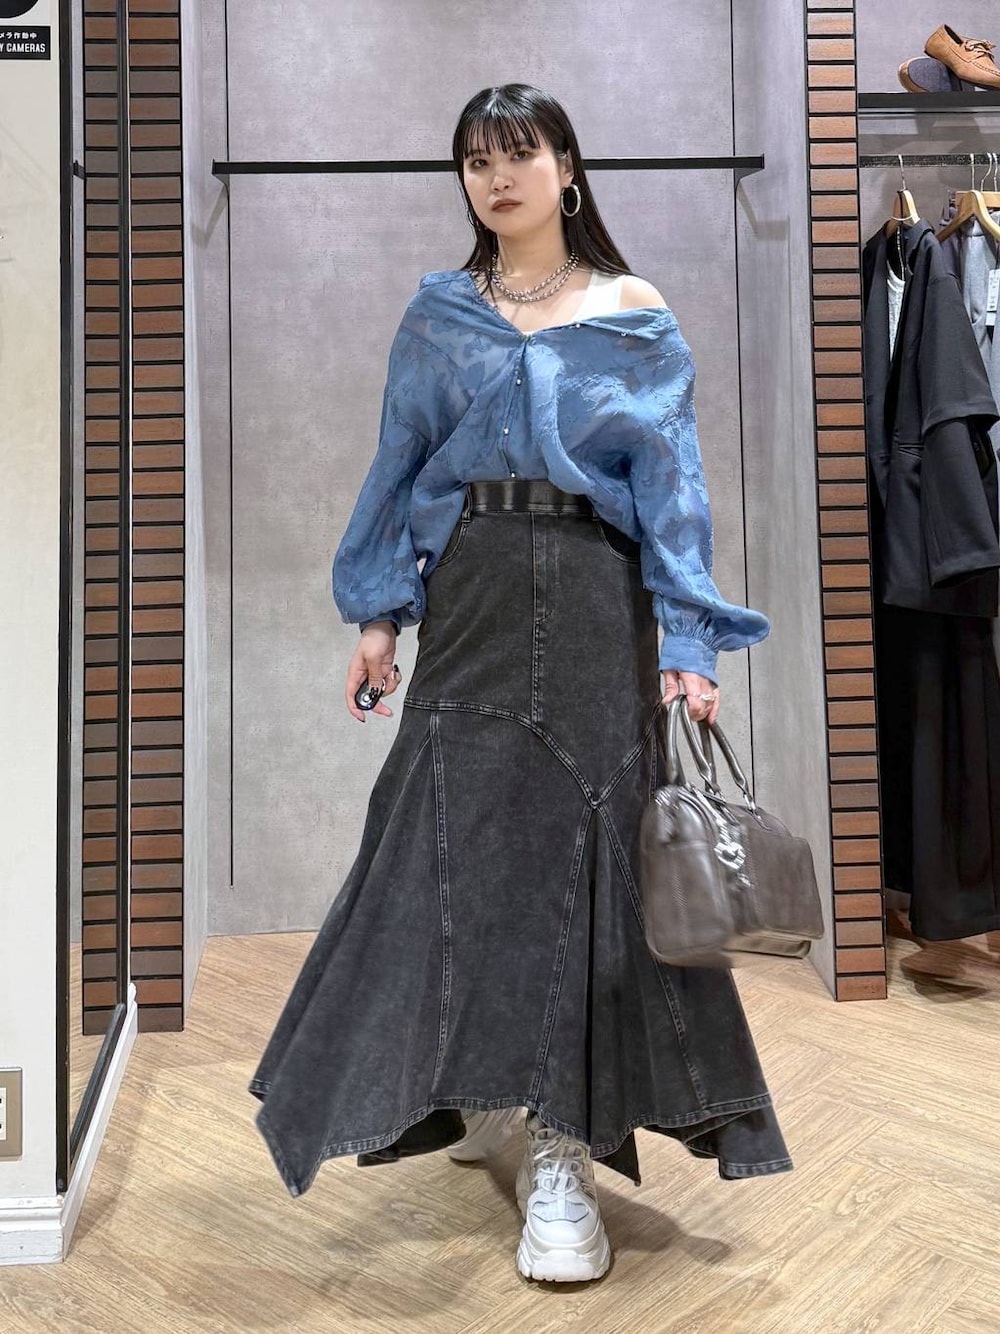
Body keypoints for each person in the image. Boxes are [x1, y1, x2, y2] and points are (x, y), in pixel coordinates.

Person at [250, 83, 791, 1285]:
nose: (497, 177)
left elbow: (673, 489)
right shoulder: (439, 315)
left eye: (519, 153)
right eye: (475, 160)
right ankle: (473, 1073)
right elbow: (397, 464)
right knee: (447, 843)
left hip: (599, 594)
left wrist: (688, 642)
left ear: (567, 168)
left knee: (587, 861)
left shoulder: (633, 313)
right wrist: (380, 613)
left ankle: (564, 1147)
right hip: (477, 591)